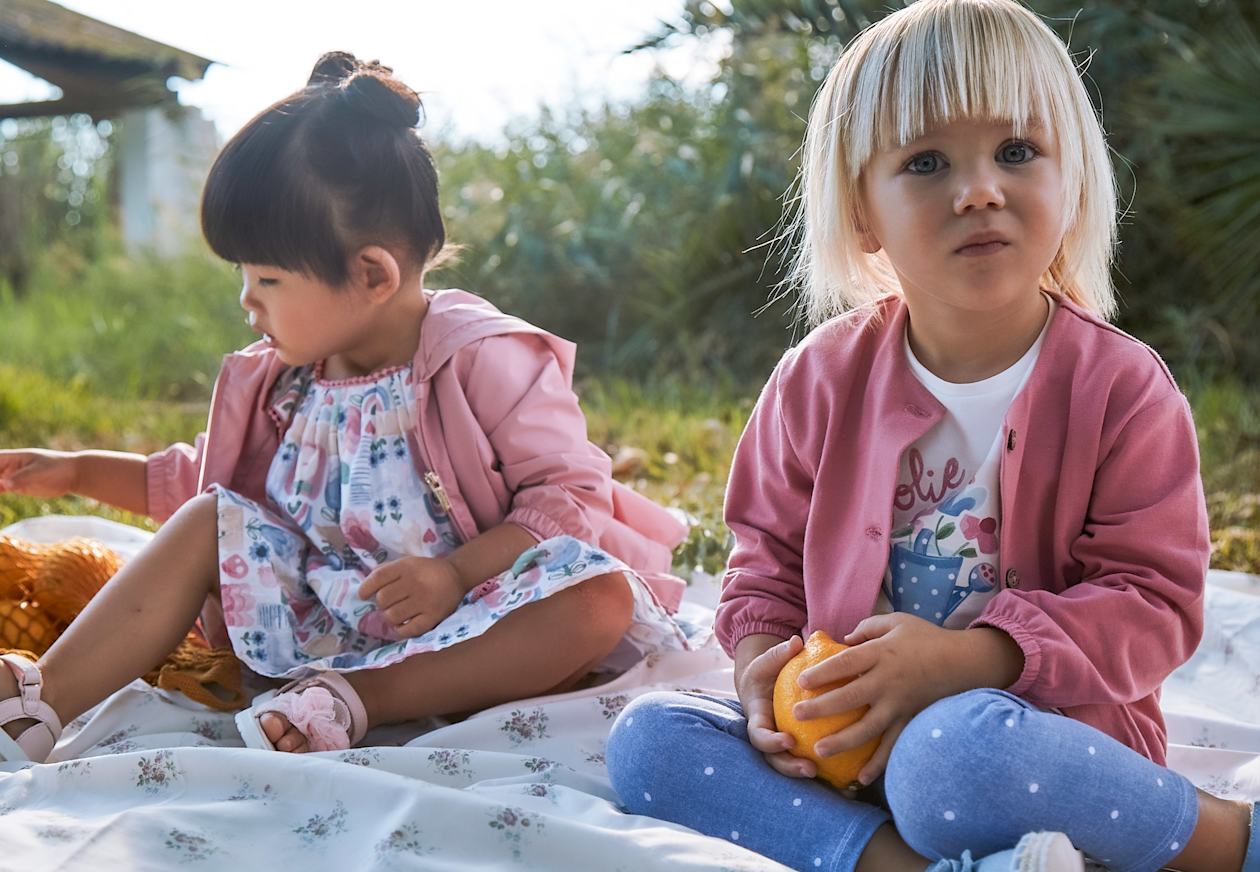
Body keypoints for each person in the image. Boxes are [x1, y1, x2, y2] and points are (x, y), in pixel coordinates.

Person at [604, 2, 1258, 870]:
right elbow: (763, 558)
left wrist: (969, 658)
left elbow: (1154, 606)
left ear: (1072, 179)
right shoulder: (817, 378)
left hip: (1031, 740)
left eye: (1017, 152)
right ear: (863, 213)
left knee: (953, 757)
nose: (979, 188)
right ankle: (901, 863)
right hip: (844, 749)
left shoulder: (1122, 389)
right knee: (649, 738)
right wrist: (763, 671)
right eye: (926, 162)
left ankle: (1224, 842)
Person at [0, 51, 690, 761]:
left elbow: (567, 494)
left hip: (471, 616)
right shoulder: (288, 380)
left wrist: (456, 574)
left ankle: (363, 699)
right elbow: (202, 484)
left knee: (596, 597)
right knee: (210, 520)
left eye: (267, 277)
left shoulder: (481, 356)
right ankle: (41, 701)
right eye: (243, 274)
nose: (247, 300)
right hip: (324, 615)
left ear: (370, 274)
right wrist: (77, 470)